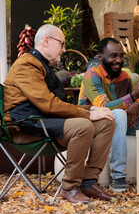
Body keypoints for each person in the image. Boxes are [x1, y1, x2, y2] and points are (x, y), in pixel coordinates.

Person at [3, 24, 116, 204]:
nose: (64, 49)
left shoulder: (43, 65)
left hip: (47, 121)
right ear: (46, 41)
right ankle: (70, 187)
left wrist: (91, 110)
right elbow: (48, 104)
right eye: (61, 44)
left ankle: (88, 181)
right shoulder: (26, 65)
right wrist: (86, 115)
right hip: (27, 126)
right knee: (83, 126)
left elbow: (56, 105)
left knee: (106, 121)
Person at [78, 37, 139, 192]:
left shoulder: (124, 77)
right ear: (101, 57)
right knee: (119, 114)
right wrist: (133, 98)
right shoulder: (92, 76)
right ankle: (117, 176)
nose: (119, 60)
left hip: (121, 123)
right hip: (94, 123)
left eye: (121, 56)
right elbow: (104, 107)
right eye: (113, 56)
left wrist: (136, 103)